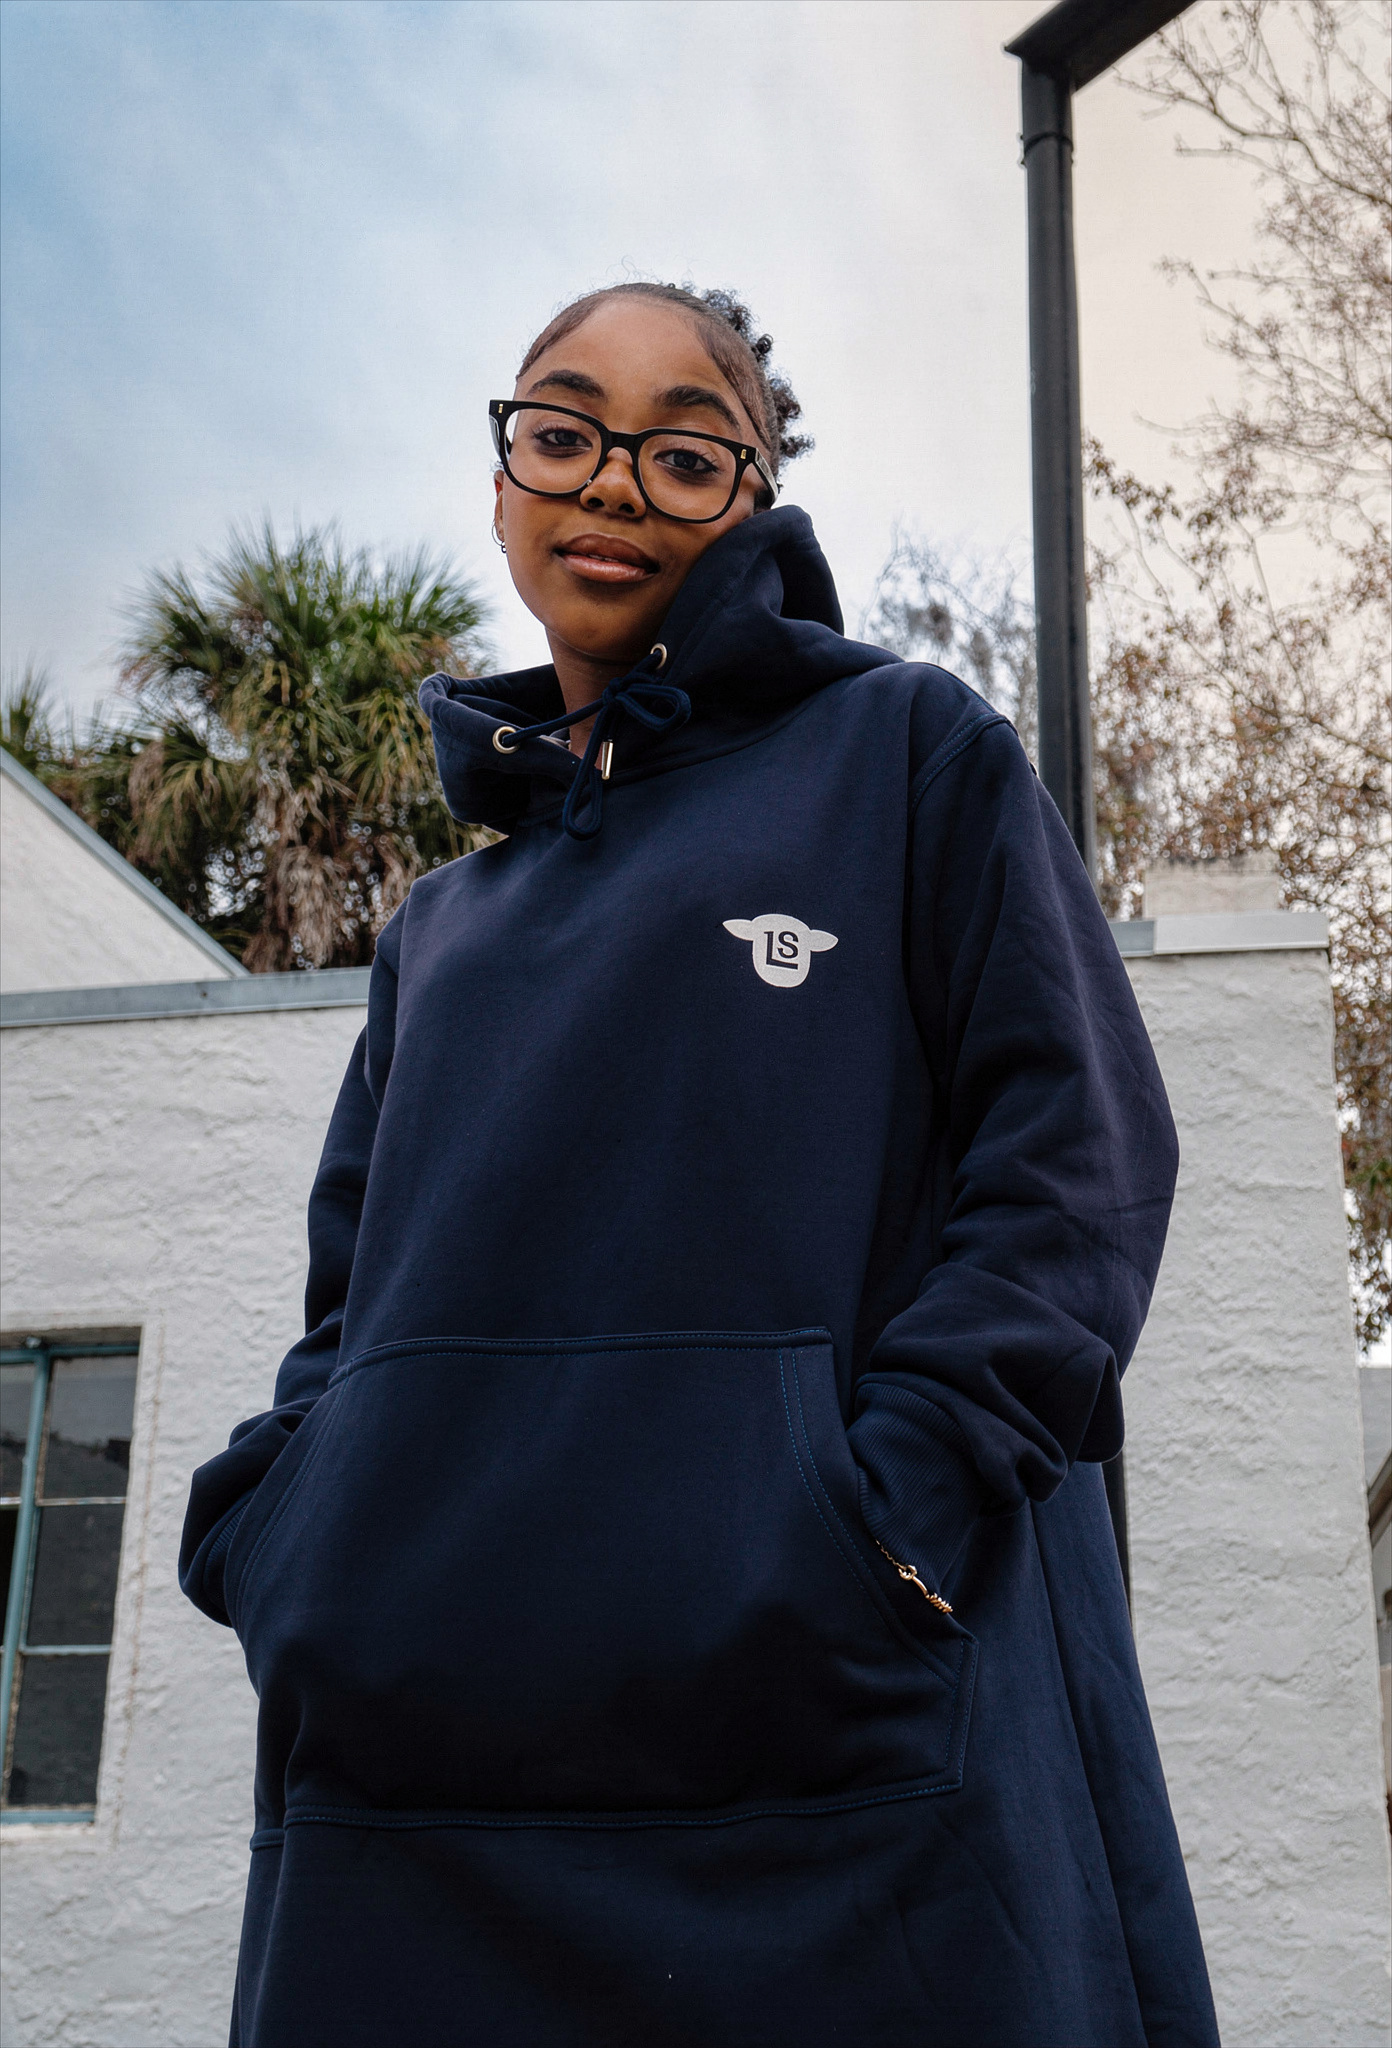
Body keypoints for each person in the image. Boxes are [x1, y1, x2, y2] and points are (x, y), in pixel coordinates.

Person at [181, 281, 1219, 2048]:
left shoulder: (911, 754)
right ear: (503, 476)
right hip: (419, 1778)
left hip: (838, 1759)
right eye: (562, 430)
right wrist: (292, 1538)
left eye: (683, 451)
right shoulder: (441, 931)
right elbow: (349, 1314)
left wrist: (883, 1523)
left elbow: (1079, 1165)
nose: (610, 481)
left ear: (753, 502)